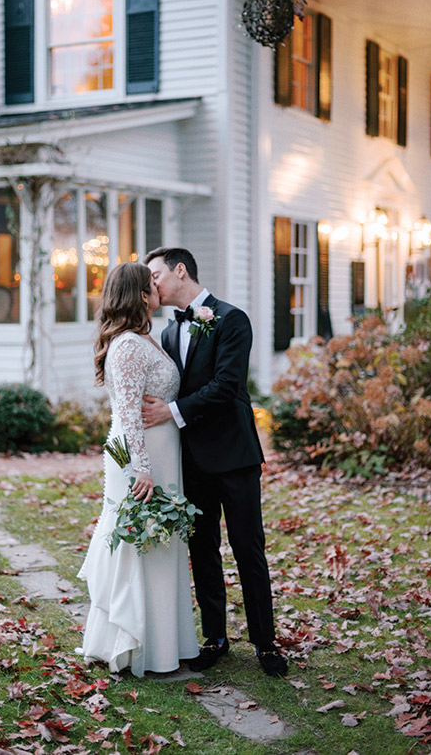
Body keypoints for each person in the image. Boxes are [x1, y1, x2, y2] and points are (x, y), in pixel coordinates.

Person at [142, 247, 287, 678]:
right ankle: (215, 638)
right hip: (192, 461)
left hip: (235, 456)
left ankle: (265, 643)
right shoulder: (167, 334)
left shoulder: (232, 319)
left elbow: (226, 386)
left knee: (248, 549)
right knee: (202, 551)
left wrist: (171, 412)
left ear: (180, 270)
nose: (151, 284)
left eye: (155, 275)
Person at [76, 262, 199, 677]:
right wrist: (141, 471)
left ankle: (168, 645)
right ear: (141, 295)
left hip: (162, 455)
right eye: (152, 283)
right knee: (141, 546)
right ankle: (137, 647)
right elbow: (128, 416)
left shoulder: (147, 337)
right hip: (139, 459)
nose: (159, 286)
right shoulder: (128, 345)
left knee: (161, 547)